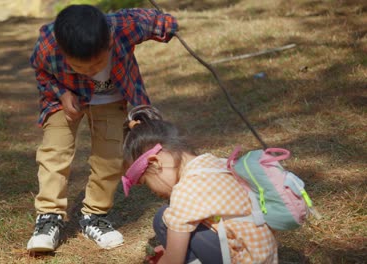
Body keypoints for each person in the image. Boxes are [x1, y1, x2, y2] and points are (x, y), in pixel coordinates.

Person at [26, 5, 178, 252]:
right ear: (63, 53)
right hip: (64, 98)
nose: (91, 71)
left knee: (110, 156)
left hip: (110, 96)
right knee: (55, 151)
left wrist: (168, 26)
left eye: (97, 63)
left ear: (108, 42)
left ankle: (94, 215)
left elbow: (151, 20)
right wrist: (62, 94)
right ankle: (49, 216)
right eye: (81, 67)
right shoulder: (48, 45)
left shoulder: (123, 27)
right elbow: (41, 70)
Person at [122, 105, 278, 264]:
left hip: (240, 259)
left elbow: (174, 261)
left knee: (163, 220)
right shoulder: (215, 163)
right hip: (260, 253)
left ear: (155, 163)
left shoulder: (185, 191)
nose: (153, 191)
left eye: (146, 182)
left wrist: (168, 257)